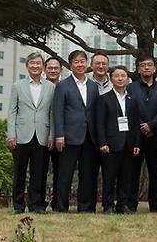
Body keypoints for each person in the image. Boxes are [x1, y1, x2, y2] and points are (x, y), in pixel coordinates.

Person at [7, 52, 55, 214]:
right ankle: (18, 206)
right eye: (32, 63)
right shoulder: (17, 86)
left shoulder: (50, 87)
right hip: (21, 135)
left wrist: (51, 136)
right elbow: (12, 112)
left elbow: (51, 113)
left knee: (39, 173)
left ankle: (36, 205)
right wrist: (11, 134)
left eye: (38, 63)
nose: (35, 66)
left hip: (42, 135)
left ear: (43, 67)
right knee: (19, 173)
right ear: (27, 66)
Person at [52, 50, 100, 213]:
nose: (80, 64)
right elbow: (57, 112)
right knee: (65, 174)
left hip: (89, 137)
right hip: (68, 137)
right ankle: (60, 207)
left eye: (82, 61)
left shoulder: (93, 86)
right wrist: (59, 135)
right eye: (76, 62)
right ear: (70, 65)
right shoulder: (62, 86)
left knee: (87, 174)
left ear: (87, 64)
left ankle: (85, 207)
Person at [96, 66, 140, 214]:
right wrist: (102, 142)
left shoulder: (132, 100)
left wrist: (136, 143)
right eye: (117, 76)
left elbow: (135, 123)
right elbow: (100, 123)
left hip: (128, 144)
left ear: (127, 78)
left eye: (123, 75)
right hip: (110, 144)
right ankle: (108, 205)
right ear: (111, 79)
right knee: (109, 177)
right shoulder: (104, 99)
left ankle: (122, 205)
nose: (120, 78)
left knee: (126, 177)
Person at [128, 54, 157, 213]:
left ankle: (155, 206)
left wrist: (151, 125)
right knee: (132, 172)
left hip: (156, 135)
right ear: (138, 69)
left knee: (155, 172)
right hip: (135, 136)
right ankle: (130, 205)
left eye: (149, 65)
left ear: (155, 69)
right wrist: (142, 125)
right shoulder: (131, 88)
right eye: (143, 65)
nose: (146, 68)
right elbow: (129, 109)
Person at [42, 56, 62, 211]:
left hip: (60, 137)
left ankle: (57, 202)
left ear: (61, 70)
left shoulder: (65, 87)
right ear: (44, 69)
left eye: (56, 68)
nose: (53, 70)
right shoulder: (38, 87)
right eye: (50, 68)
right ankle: (39, 203)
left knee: (60, 172)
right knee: (40, 171)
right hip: (41, 135)